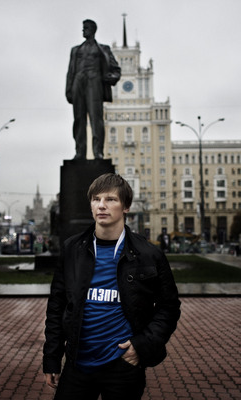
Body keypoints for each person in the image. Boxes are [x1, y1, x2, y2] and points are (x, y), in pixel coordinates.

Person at [43, 173, 181, 399]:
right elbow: (57, 306)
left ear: (126, 206)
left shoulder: (149, 254)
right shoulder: (72, 249)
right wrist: (51, 358)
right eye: (96, 199)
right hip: (78, 364)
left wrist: (142, 344)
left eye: (111, 199)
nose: (102, 206)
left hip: (123, 366)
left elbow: (169, 307)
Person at [66, 19, 121, 160]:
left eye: (86, 28)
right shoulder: (75, 50)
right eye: (83, 28)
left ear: (93, 30)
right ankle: (80, 152)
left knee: (96, 119)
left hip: (94, 82)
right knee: (79, 119)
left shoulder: (103, 49)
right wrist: (68, 89)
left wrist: (111, 77)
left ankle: (98, 152)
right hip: (78, 82)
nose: (83, 30)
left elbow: (115, 69)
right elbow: (70, 71)